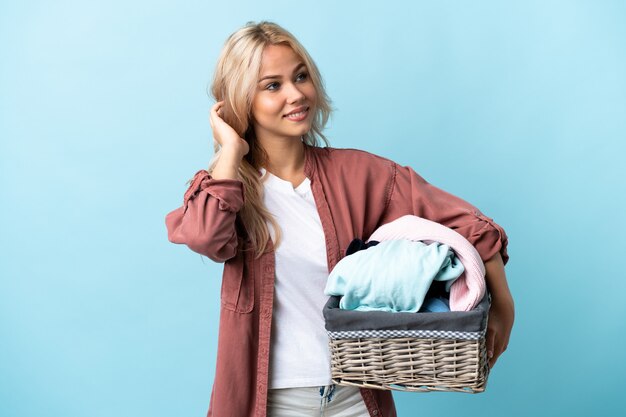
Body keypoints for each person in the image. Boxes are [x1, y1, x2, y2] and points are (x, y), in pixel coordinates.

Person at [165, 21, 514, 417]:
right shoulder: (227, 191)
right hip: (272, 401)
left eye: (300, 76)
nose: (296, 94)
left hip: (355, 395)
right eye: (272, 85)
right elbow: (205, 237)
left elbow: (467, 224)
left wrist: (502, 302)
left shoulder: (358, 174)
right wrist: (230, 150)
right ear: (241, 100)